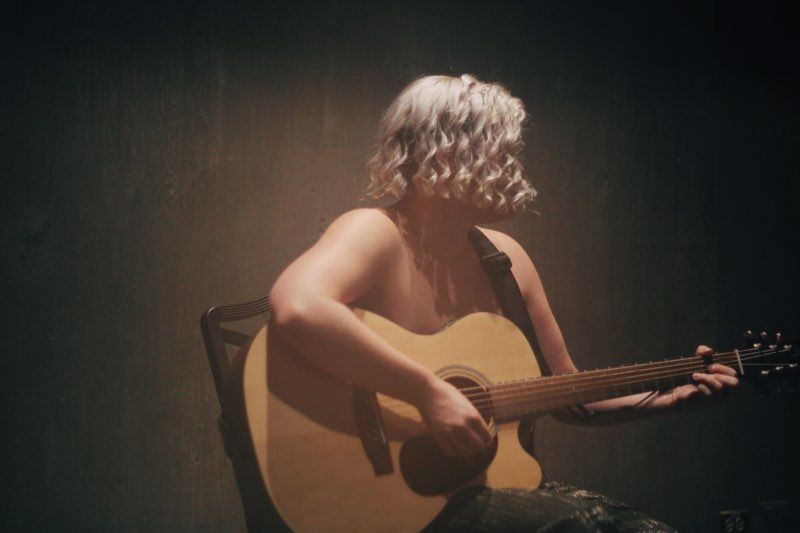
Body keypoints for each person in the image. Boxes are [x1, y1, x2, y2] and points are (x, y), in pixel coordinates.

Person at [268, 74, 739, 531]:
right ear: (448, 154)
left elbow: (567, 395)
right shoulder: (376, 232)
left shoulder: (506, 259)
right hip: (390, 501)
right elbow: (297, 306)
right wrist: (427, 392)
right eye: (503, 153)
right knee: (581, 525)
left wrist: (673, 399)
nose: (516, 170)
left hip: (481, 491)